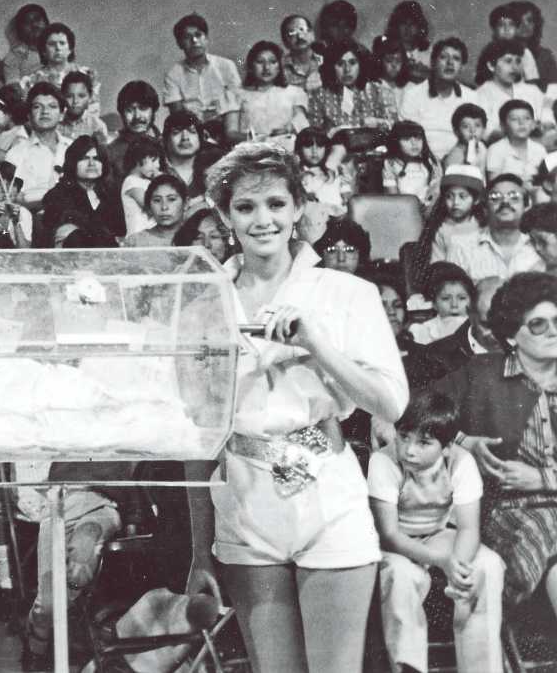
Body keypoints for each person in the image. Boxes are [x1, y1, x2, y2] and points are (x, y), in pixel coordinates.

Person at [185, 142, 408, 673]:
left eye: (276, 204)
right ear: (225, 216)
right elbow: (196, 434)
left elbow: (390, 403)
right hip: (244, 499)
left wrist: (316, 344)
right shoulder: (203, 301)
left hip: (327, 489)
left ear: (299, 208)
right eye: (245, 207)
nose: (262, 220)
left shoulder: (348, 292)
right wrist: (198, 551)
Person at [431, 273, 557, 617]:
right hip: (506, 510)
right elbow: (418, 409)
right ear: (512, 334)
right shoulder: (483, 373)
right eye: (539, 324)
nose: (553, 331)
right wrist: (464, 441)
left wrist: (544, 478)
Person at [368, 391, 504, 673]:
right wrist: (442, 561)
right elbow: (389, 534)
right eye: (404, 437)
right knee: (400, 576)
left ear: (446, 448)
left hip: (438, 534)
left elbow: (468, 528)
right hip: (395, 544)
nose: (409, 450)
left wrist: (458, 569)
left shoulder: (461, 461)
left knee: (487, 566)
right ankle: (409, 667)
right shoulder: (383, 461)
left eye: (424, 442)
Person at [448, 173, 541, 282]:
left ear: (526, 207)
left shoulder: (539, 248)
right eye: (495, 198)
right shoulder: (461, 247)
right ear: (485, 209)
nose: (505, 202)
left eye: (514, 197)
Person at [162, 13, 240, 133]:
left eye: (198, 35)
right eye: (187, 37)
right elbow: (178, 117)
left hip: (228, 130)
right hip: (193, 133)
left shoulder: (226, 66)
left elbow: (239, 103)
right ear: (179, 43)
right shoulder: (173, 75)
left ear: (206, 38)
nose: (194, 41)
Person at [413, 164, 486, 288]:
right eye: (449, 196)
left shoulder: (484, 227)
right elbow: (437, 268)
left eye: (462, 196)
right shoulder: (441, 229)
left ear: (476, 199)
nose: (455, 202)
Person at [399, 38, 472, 158]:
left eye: (456, 58)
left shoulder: (471, 96)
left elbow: (473, 138)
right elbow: (408, 139)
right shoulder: (413, 95)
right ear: (433, 63)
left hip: (460, 159)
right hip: (422, 159)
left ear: (462, 67)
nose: (450, 63)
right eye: (443, 57)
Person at [307, 39, 397, 134]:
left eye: (352, 63)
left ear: (361, 65)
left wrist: (378, 123)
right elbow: (314, 134)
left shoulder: (378, 91)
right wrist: (330, 133)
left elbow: (394, 127)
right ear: (331, 67)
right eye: (340, 64)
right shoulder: (320, 95)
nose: (347, 69)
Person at [231, 41, 309, 150]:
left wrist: (288, 129)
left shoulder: (294, 93)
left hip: (285, 149)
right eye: (260, 62)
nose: (266, 67)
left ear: (280, 66)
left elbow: (301, 121)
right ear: (251, 66)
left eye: (273, 62)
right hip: (250, 150)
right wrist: (259, 139)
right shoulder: (236, 94)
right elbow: (230, 133)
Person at [6, 83, 72, 206]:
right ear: (29, 115)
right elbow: (12, 200)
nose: (45, 112)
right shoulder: (16, 154)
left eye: (52, 106)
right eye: (37, 107)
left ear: (62, 115)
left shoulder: (74, 148)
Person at [423, 276, 503, 378]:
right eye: (486, 325)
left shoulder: (521, 346)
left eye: (504, 324)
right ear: (470, 314)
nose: (497, 334)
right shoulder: (435, 357)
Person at [39, 135, 112, 245]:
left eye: (96, 159)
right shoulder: (57, 195)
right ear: (73, 163)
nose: (91, 164)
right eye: (85, 158)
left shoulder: (111, 193)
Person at [19, 23, 99, 118]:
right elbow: (29, 113)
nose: (58, 48)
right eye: (52, 44)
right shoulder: (32, 80)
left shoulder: (87, 75)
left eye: (62, 43)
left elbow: (93, 109)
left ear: (70, 49)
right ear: (43, 51)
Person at [474, 39, 548, 143]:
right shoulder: (481, 95)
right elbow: (487, 132)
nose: (514, 67)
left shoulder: (532, 91)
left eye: (518, 61)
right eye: (508, 61)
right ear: (491, 65)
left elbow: (547, 120)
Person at [104, 80, 160, 181]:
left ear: (153, 110)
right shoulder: (111, 153)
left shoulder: (168, 144)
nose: (137, 116)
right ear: (122, 114)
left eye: (143, 108)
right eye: (129, 110)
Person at [409, 262, 474, 345]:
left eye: (462, 298)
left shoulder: (477, 328)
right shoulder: (424, 330)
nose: (454, 305)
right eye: (445, 299)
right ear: (434, 304)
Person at [382, 120, 441, 205]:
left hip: (428, 207)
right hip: (402, 207)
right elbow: (393, 198)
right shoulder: (391, 164)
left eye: (418, 138)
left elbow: (435, 193)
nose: (414, 143)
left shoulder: (431, 162)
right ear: (396, 142)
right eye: (406, 139)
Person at [485, 100, 546, 183]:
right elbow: (494, 183)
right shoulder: (496, 150)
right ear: (503, 125)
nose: (521, 123)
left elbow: (546, 180)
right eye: (514, 119)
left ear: (533, 124)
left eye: (527, 118)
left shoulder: (540, 149)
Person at [122, 174, 187, 248]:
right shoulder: (135, 242)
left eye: (171, 199)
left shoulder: (195, 239)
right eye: (157, 200)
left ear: (185, 203)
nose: (164, 207)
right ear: (149, 206)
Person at [118, 137, 164, 236]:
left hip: (151, 236)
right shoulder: (131, 181)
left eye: (158, 161)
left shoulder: (146, 181)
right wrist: (161, 181)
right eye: (153, 160)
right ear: (138, 159)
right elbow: (151, 207)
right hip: (138, 237)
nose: (157, 166)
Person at [383, 0, 433, 79]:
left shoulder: (430, 54)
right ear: (396, 26)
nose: (407, 28)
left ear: (419, 27)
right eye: (403, 23)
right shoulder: (386, 53)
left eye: (412, 24)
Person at [3, 4, 49, 84]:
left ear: (46, 22)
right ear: (20, 29)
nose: (34, 25)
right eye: (27, 22)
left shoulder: (60, 48)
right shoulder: (14, 57)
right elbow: (13, 88)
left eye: (37, 19)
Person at [57, 71, 108, 143]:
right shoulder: (55, 124)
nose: (75, 101)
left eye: (81, 96)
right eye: (69, 96)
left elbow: (102, 149)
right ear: (62, 97)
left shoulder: (97, 126)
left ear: (90, 97)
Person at [280, 14, 324, 91]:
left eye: (302, 30)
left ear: (312, 34)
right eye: (292, 33)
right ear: (285, 41)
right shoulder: (279, 68)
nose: (300, 36)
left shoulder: (326, 62)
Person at [442, 103, 489, 174]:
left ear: (484, 129)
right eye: (466, 126)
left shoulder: (482, 147)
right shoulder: (454, 158)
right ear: (456, 131)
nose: (472, 130)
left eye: (477, 125)